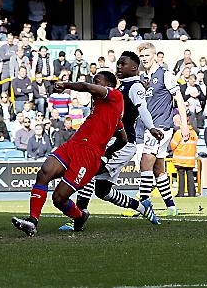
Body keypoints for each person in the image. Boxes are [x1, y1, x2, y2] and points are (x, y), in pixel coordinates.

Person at [11, 71, 125, 237]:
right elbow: (123, 138)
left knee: (59, 198)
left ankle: (80, 216)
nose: (93, 85)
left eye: (97, 82)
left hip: (89, 156)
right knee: (44, 172)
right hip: (73, 145)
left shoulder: (116, 96)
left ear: (108, 85)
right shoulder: (104, 108)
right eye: (93, 81)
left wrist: (65, 85)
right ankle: (32, 221)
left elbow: (123, 139)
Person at [59, 52, 162, 231]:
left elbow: (141, 107)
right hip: (113, 140)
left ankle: (77, 216)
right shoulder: (124, 87)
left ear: (134, 68)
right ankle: (142, 207)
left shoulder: (135, 86)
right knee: (103, 191)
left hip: (124, 142)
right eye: (118, 64)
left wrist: (151, 127)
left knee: (88, 172)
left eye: (123, 64)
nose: (119, 67)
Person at [134, 42, 190, 217]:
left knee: (145, 165)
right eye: (141, 56)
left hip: (160, 128)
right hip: (148, 128)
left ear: (154, 55)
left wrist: (184, 126)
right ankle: (171, 207)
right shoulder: (143, 77)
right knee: (159, 168)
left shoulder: (165, 75)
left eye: (146, 55)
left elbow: (179, 99)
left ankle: (143, 206)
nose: (144, 59)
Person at [170, 119, 197, 197]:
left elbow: (173, 145)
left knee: (181, 176)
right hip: (190, 159)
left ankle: (181, 193)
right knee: (190, 176)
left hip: (180, 158)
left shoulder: (179, 133)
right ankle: (192, 194)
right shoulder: (193, 133)